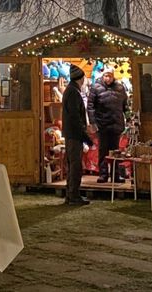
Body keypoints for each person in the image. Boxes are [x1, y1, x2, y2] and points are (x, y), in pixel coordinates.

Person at [87, 68, 128, 183]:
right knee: (103, 150)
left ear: (113, 76)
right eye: (106, 75)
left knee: (116, 151)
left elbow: (125, 105)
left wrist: (128, 118)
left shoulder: (120, 88)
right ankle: (103, 174)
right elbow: (90, 106)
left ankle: (116, 174)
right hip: (102, 124)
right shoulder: (95, 88)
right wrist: (93, 123)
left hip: (116, 123)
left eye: (110, 76)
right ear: (102, 76)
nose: (107, 78)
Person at [61, 65, 93, 206]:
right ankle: (73, 195)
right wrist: (85, 136)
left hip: (71, 134)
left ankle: (71, 194)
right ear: (81, 78)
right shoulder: (73, 93)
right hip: (74, 135)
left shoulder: (70, 91)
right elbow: (75, 117)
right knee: (75, 166)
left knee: (72, 164)